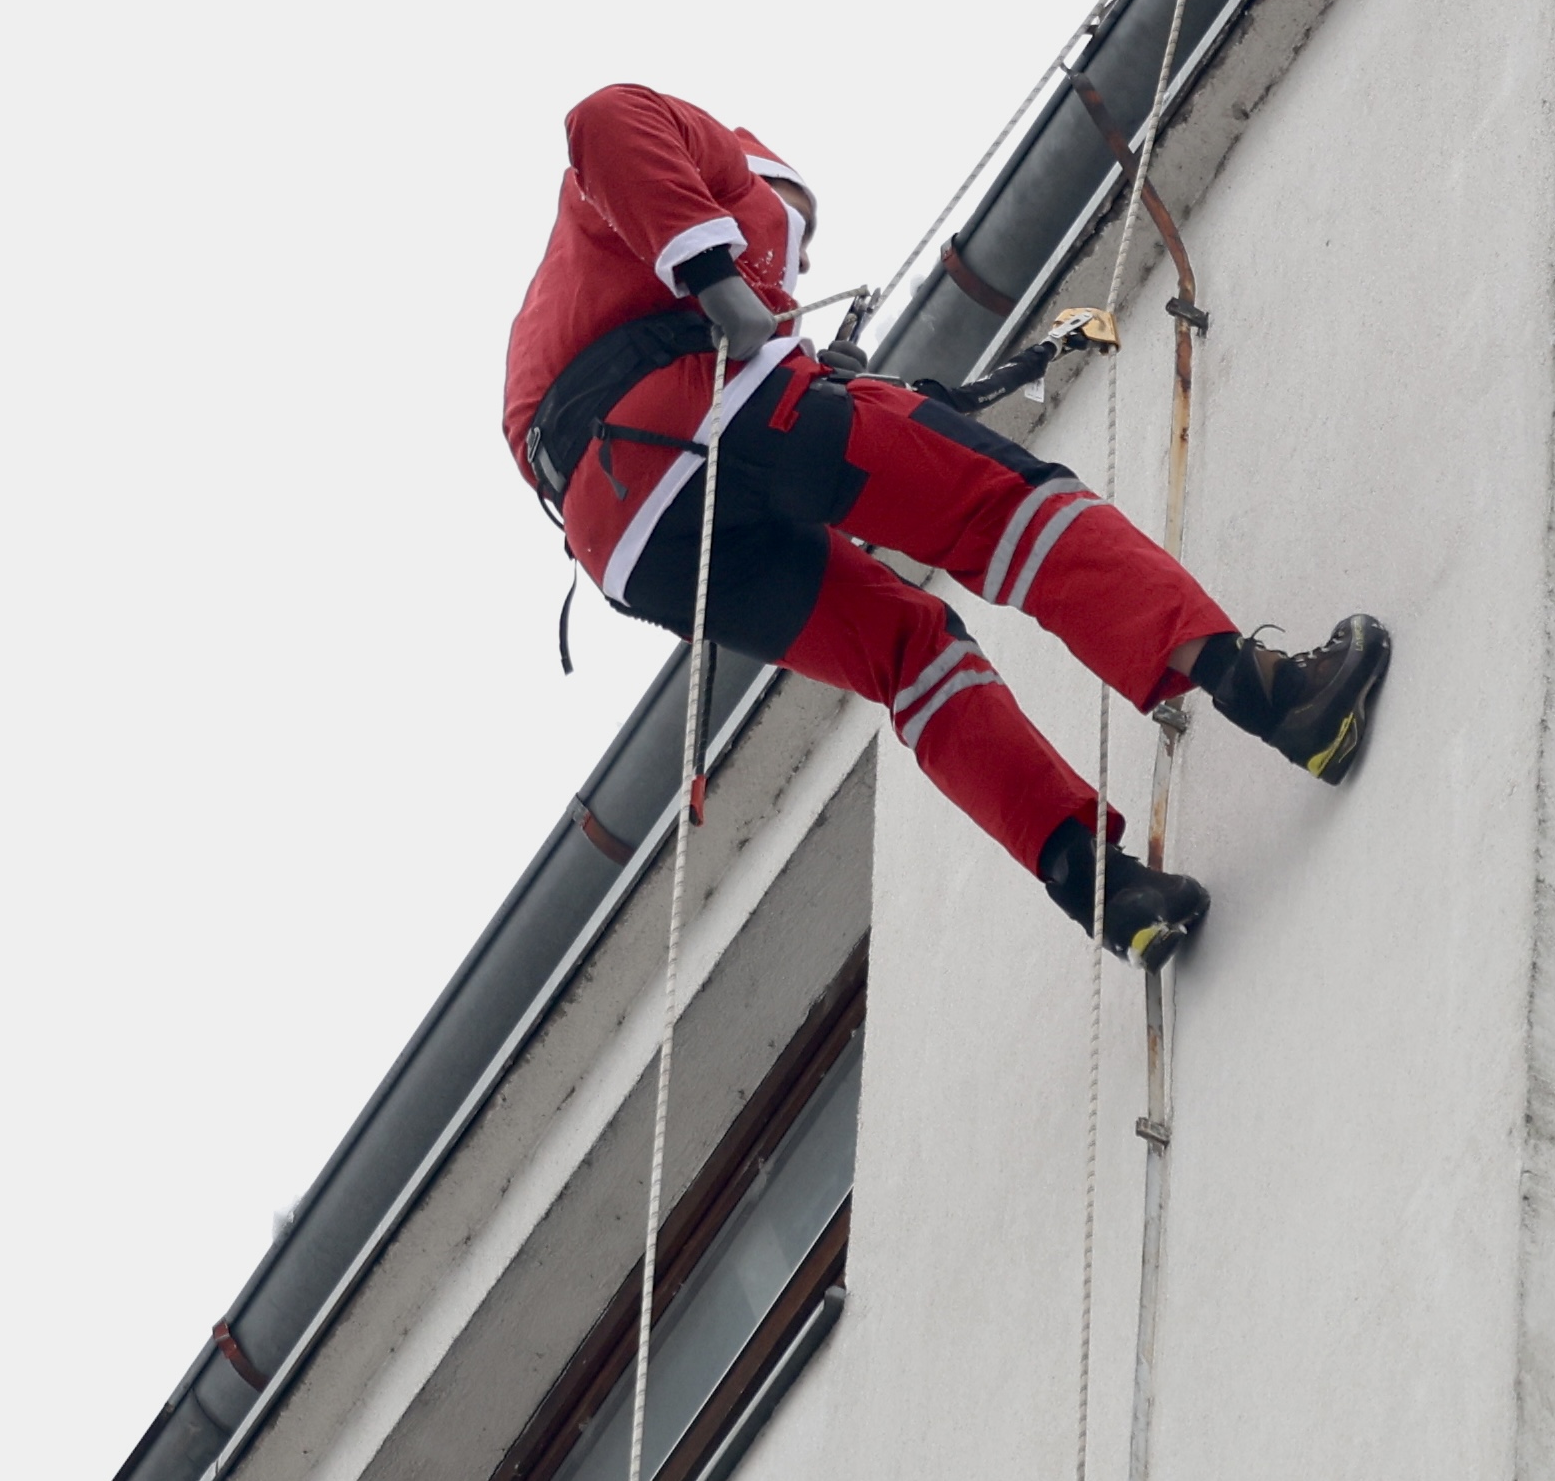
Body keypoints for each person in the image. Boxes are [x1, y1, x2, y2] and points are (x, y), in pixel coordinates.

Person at [504, 83, 1390, 966]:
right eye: (800, 228)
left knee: (910, 655)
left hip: (631, 547)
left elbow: (557, 425)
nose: (803, 263)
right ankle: (1273, 694)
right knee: (1009, 507)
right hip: (705, 419)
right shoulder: (709, 157)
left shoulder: (574, 304)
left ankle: (1102, 887)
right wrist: (724, 288)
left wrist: (786, 356)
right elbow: (603, 117)